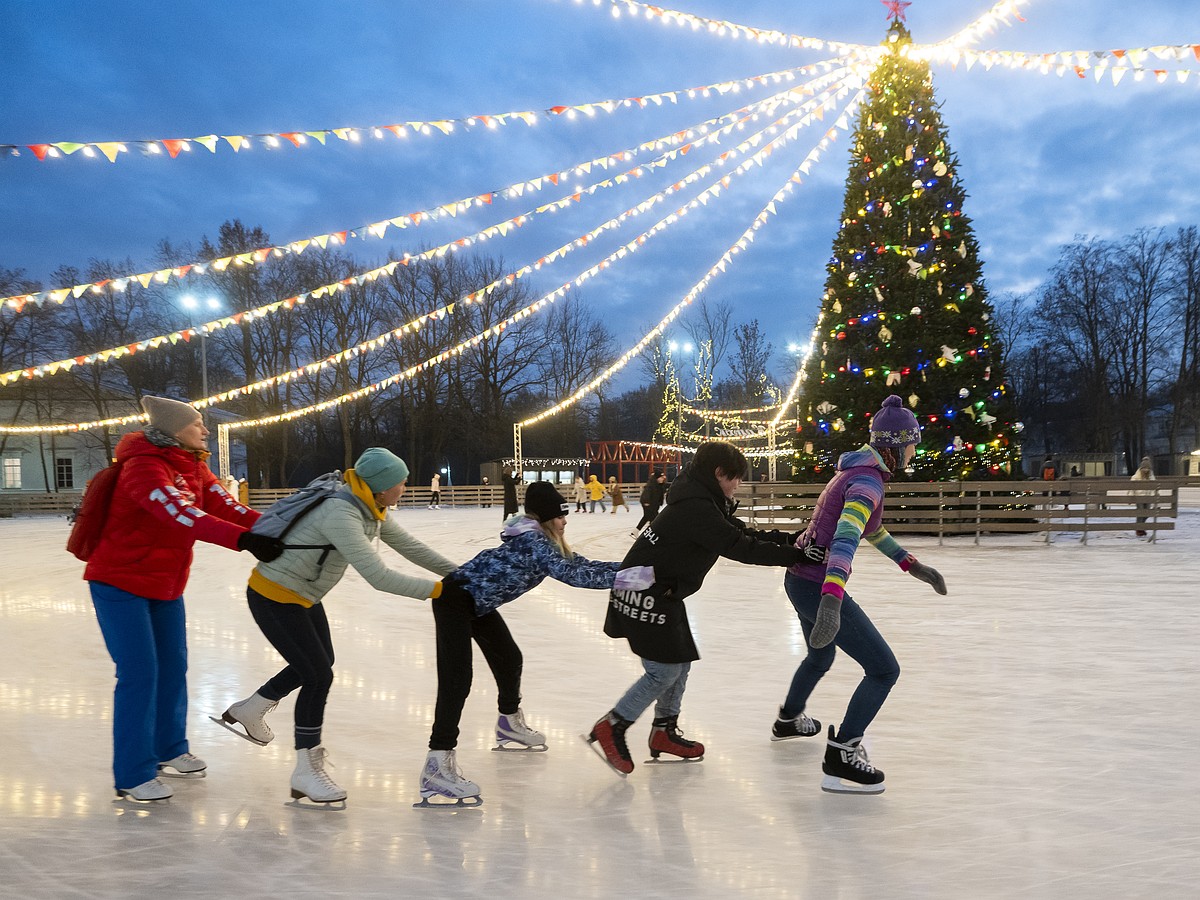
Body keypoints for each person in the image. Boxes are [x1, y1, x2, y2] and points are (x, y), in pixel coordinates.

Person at [216, 448, 458, 806]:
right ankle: (305, 770)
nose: (405, 487)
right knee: (317, 675)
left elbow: (409, 546)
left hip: (303, 596)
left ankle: (252, 708)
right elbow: (378, 576)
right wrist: (441, 592)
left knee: (319, 663)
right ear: (380, 487)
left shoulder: (368, 506)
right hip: (273, 595)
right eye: (400, 482)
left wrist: (460, 577)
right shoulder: (341, 512)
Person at [85, 396, 283, 802]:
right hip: (119, 583)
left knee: (173, 667)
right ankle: (133, 774)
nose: (205, 429)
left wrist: (280, 527)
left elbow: (227, 507)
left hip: (165, 585)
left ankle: (169, 748)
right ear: (174, 429)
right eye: (197, 423)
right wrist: (244, 541)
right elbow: (179, 514)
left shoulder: (193, 466)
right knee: (140, 673)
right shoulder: (143, 468)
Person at [585, 441, 812, 777]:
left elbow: (742, 534)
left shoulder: (704, 502)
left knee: (681, 661)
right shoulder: (696, 508)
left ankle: (664, 730)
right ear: (719, 473)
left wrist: (792, 541)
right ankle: (612, 726)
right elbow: (739, 547)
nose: (738, 484)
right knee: (663, 671)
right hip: (642, 591)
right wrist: (796, 556)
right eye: (735, 477)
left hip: (663, 591)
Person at [421, 482, 649, 806]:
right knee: (457, 681)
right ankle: (437, 766)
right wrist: (633, 579)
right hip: (454, 600)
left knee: (509, 658)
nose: (565, 521)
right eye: (560, 515)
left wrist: (633, 572)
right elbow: (574, 577)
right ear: (545, 518)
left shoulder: (543, 541)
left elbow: (582, 566)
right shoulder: (533, 542)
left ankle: (508, 724)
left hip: (476, 603)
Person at [775, 394, 947, 795]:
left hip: (799, 580)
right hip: (819, 585)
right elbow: (846, 539)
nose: (914, 451)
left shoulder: (857, 473)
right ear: (893, 445)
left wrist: (912, 565)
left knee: (821, 655)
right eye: (911, 444)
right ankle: (843, 752)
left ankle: (788, 718)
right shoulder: (867, 482)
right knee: (884, 670)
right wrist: (833, 601)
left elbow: (870, 530)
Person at [633, 471, 667, 537]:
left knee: (647, 517)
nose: (662, 479)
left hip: (654, 505)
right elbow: (646, 493)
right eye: (661, 477)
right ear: (657, 478)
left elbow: (663, 490)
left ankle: (636, 531)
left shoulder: (659, 484)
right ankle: (650, 535)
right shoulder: (651, 484)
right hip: (648, 504)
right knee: (654, 520)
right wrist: (646, 501)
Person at [1130, 456, 1156, 537]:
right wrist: (1131, 497)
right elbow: (1132, 487)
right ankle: (1140, 529)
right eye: (1144, 468)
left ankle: (1141, 527)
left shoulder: (1151, 477)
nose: (1146, 470)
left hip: (1148, 497)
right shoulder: (1136, 477)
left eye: (1147, 469)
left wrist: (1154, 496)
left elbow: (1154, 488)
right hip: (1139, 497)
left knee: (1147, 512)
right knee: (1140, 512)